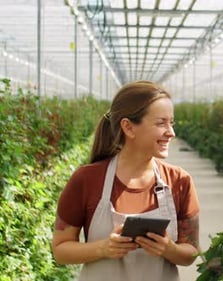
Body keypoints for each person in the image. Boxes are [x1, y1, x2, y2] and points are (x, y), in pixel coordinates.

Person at [52, 81, 200, 281]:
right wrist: (103, 248)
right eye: (160, 123)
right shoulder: (87, 180)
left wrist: (168, 249)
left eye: (171, 123)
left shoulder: (179, 181)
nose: (171, 132)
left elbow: (191, 252)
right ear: (128, 127)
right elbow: (60, 250)